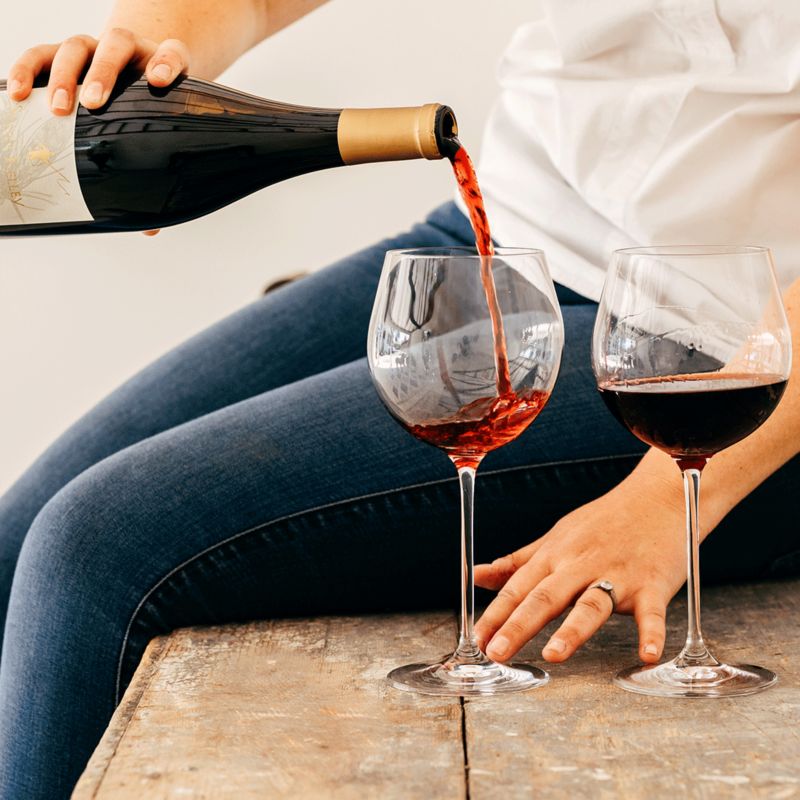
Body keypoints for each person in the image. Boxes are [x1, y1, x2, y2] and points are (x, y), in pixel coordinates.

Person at [2, 0, 799, 796]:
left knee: (96, 554)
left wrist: (663, 503)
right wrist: (156, 46)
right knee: (14, 542)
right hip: (503, 237)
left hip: (726, 348)